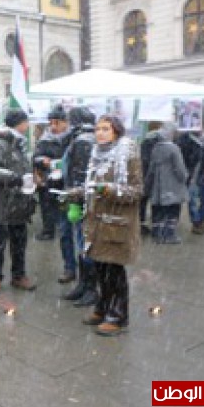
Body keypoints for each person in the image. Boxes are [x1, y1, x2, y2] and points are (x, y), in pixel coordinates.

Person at [70, 114, 142, 337]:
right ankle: (103, 308)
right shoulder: (97, 154)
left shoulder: (128, 154)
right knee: (101, 269)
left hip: (117, 224)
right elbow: (92, 187)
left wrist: (109, 190)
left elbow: (136, 191)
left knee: (114, 271)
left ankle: (118, 316)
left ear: (116, 131)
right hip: (97, 224)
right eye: (98, 129)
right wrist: (75, 193)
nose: (100, 133)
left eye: (105, 129)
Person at [0, 109, 37, 296]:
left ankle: (18, 275)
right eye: (26, 122)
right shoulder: (0, 143)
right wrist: (16, 178)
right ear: (19, 123)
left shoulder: (21, 144)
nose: (28, 125)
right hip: (2, 203)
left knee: (19, 243)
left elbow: (24, 168)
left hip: (20, 203)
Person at [62, 107, 98, 307]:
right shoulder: (84, 138)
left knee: (86, 244)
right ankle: (84, 285)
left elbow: (81, 175)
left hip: (84, 200)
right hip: (85, 199)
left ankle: (90, 288)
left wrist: (75, 199)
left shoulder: (83, 140)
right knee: (83, 244)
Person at [144, 123, 188, 244]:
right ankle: (169, 235)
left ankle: (157, 234)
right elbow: (180, 169)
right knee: (172, 210)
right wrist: (184, 177)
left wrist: (148, 185)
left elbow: (151, 169)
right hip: (172, 185)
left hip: (158, 186)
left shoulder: (156, 148)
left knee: (158, 210)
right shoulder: (174, 149)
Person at [32, 105, 71, 242]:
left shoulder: (71, 139)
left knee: (64, 206)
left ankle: (65, 230)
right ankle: (48, 231)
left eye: (57, 123)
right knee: (46, 205)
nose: (53, 126)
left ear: (65, 123)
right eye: (51, 123)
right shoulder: (45, 139)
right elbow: (36, 157)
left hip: (66, 179)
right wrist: (42, 160)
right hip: (48, 178)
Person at [139, 122, 163, 235]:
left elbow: (144, 159)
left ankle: (141, 223)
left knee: (143, 200)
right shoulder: (158, 142)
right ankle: (155, 225)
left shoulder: (145, 141)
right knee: (155, 200)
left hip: (144, 174)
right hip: (154, 175)